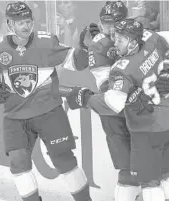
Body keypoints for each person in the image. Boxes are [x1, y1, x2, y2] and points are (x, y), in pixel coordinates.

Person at [0, 1, 94, 201]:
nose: (26, 26)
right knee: (18, 163)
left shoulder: (46, 42)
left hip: (49, 111)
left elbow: (76, 63)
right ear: (9, 24)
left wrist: (83, 48)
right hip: (15, 116)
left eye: (28, 21)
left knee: (64, 160)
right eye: (20, 22)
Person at [65, 18, 169, 201]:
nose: (115, 41)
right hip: (164, 120)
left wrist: (85, 98)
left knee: (149, 181)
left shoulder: (121, 69)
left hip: (144, 127)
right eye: (113, 35)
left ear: (133, 41)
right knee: (163, 174)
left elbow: (113, 103)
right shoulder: (152, 37)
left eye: (120, 39)